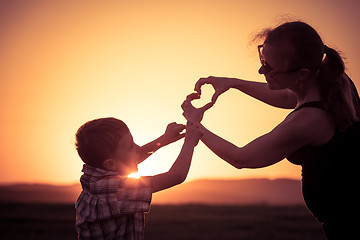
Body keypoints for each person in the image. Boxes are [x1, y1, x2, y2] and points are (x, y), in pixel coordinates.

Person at [181, 21, 360, 239]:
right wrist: (233, 83)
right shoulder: (333, 80)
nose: (261, 70)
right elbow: (287, 96)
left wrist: (194, 124)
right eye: (262, 59)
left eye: (269, 67)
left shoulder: (309, 120)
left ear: (301, 74)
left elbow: (242, 157)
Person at [75, 117, 202, 239]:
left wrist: (164, 139)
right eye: (131, 146)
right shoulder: (118, 190)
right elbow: (176, 176)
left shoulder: (92, 179)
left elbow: (128, 160)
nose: (137, 148)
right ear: (110, 164)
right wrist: (189, 142)